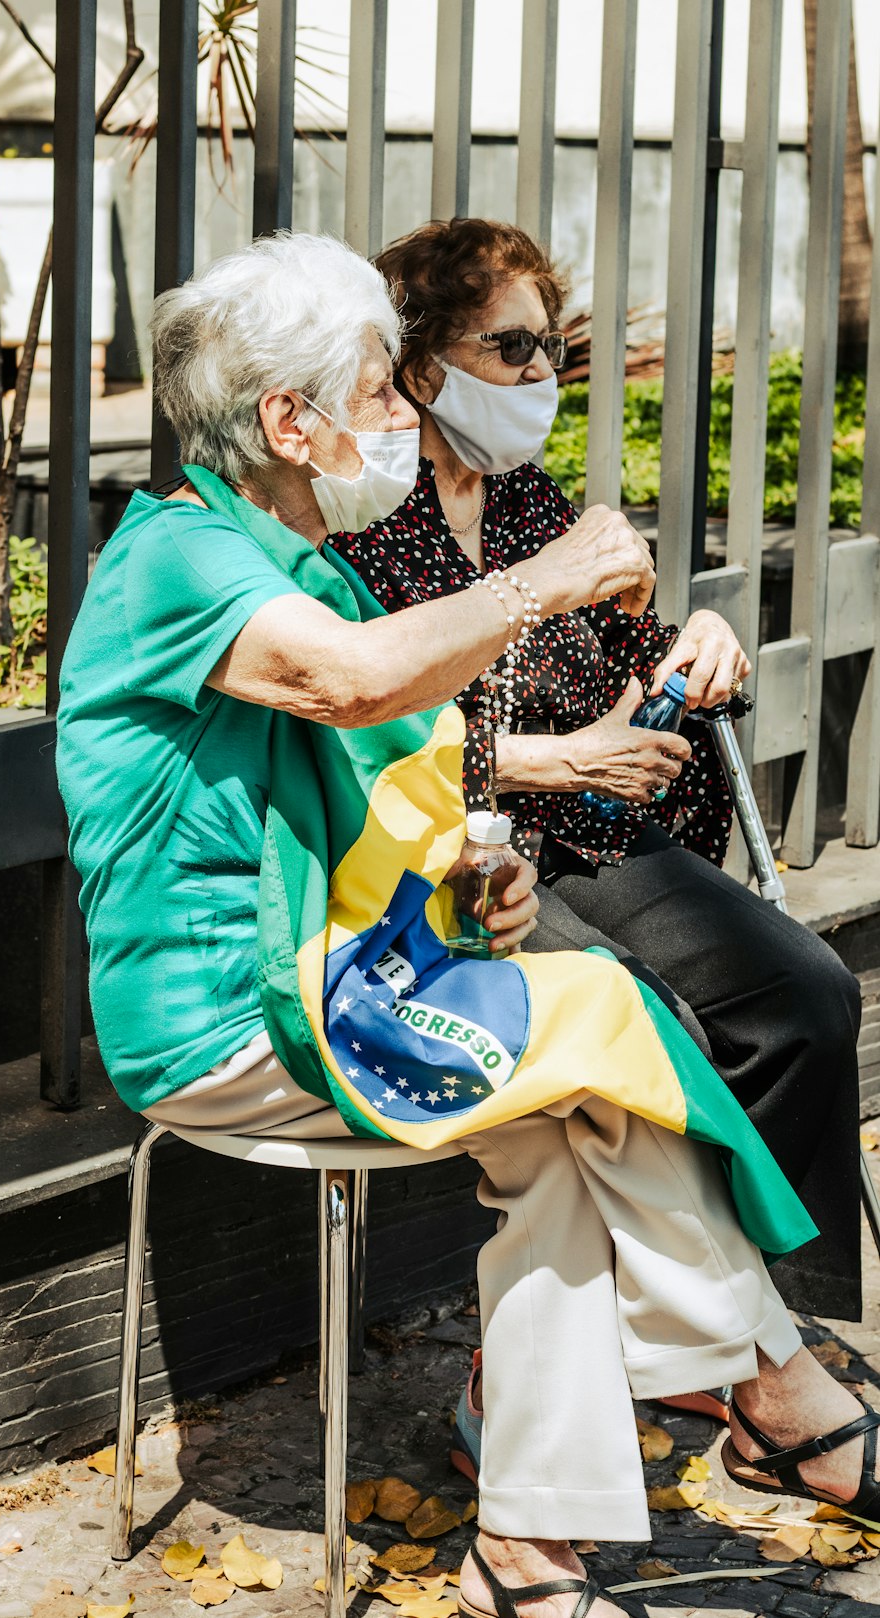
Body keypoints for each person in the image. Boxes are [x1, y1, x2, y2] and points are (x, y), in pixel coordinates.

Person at [55, 233, 878, 1618]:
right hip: (228, 1016)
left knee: (571, 1130)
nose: (404, 416)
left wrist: (472, 875)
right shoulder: (182, 559)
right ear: (288, 422)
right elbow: (353, 686)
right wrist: (541, 581)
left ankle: (531, 1550)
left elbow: (414, 780)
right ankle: (776, 1378)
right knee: (611, 1020)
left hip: (345, 978)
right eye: (384, 389)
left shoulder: (299, 557)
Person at [329, 216, 863, 1333]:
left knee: (805, 993)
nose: (543, 374)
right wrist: (556, 757)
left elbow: (628, 643)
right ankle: (702, 1348)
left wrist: (693, 645)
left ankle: (777, 1321)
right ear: (423, 368)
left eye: (553, 351)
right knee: (656, 1028)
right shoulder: (360, 525)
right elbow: (364, 730)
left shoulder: (525, 498)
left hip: (587, 834)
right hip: (442, 858)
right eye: (513, 348)